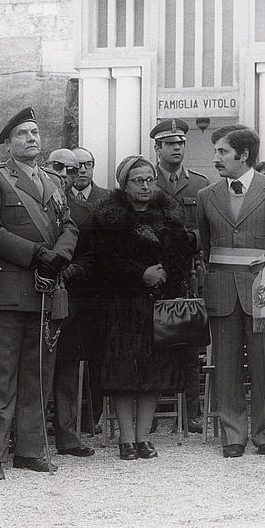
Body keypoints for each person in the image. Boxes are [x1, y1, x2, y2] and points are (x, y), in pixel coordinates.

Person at [0, 107, 78, 480]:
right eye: (22, 134)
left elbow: (69, 226)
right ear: (8, 143)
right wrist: (36, 254)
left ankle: (30, 451)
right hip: (8, 287)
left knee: (38, 373)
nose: (31, 139)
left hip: (47, 288)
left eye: (35, 133)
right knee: (0, 374)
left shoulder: (53, 180)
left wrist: (59, 256)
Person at [198, 125, 265, 457]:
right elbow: (205, 244)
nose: (216, 159)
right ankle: (233, 434)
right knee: (225, 365)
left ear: (244, 156)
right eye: (216, 152)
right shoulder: (206, 196)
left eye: (223, 152)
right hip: (223, 291)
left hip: (263, 287)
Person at [94, 157, 196, 460]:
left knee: (155, 370)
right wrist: (140, 273)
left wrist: (167, 271)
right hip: (123, 304)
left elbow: (184, 252)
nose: (145, 185)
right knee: (123, 372)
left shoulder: (169, 214)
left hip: (159, 303)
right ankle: (126, 439)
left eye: (149, 179)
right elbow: (104, 258)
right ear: (124, 185)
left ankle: (143, 437)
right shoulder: (110, 218)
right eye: (137, 180)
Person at [150, 118, 209, 433]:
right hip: (154, 274)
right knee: (154, 342)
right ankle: (156, 411)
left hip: (186, 275)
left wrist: (190, 239)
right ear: (157, 148)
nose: (177, 148)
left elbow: (208, 229)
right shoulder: (145, 182)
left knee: (188, 344)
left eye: (181, 143)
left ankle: (191, 413)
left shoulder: (200, 185)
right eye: (170, 144)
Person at [41, 149, 95, 458]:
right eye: (57, 167)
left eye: (71, 170)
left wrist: (72, 269)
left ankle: (68, 435)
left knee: (67, 367)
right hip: (35, 292)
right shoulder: (31, 201)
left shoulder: (83, 211)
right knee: (34, 366)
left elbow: (93, 255)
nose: (64, 174)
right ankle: (31, 436)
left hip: (70, 297)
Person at [69, 146, 109, 433]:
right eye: (76, 166)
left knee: (94, 353)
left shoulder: (106, 199)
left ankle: (91, 415)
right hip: (65, 284)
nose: (82, 170)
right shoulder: (54, 194)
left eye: (88, 164)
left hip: (95, 288)